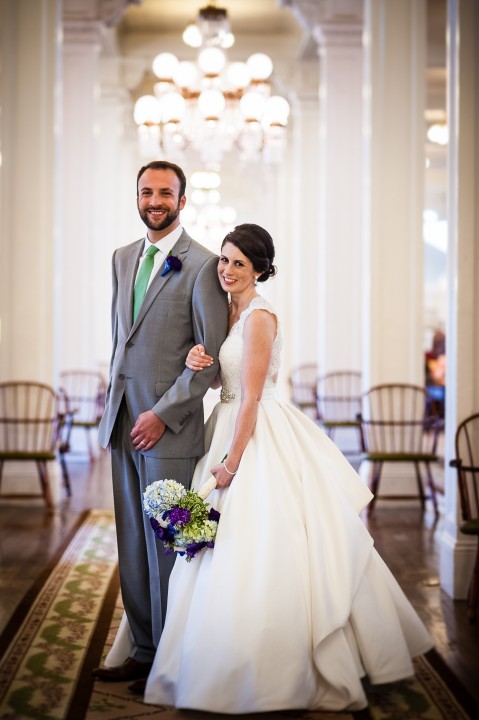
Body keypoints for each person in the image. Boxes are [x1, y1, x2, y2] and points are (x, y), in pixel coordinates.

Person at [106, 223, 434, 712]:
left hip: (254, 432)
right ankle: (195, 652)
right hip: (224, 422)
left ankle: (269, 667)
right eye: (224, 259)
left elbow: (252, 398)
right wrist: (200, 358)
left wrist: (231, 462)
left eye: (240, 263)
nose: (227, 270)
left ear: (260, 269)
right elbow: (221, 374)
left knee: (258, 546)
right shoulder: (227, 310)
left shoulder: (259, 317)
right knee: (200, 546)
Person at [91, 160, 229, 684]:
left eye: (164, 193)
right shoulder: (122, 258)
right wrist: (116, 407)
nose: (155, 200)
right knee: (131, 540)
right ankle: (146, 649)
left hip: (169, 429)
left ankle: (177, 655)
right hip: (122, 421)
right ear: (137, 198)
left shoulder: (204, 265)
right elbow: (119, 344)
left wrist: (162, 413)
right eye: (146, 192)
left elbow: (209, 359)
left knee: (173, 543)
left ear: (182, 201)